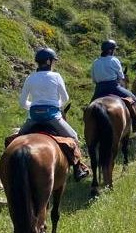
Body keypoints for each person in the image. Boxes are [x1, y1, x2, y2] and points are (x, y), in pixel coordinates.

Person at [18, 48, 90, 181]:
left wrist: (33, 107)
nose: (54, 64)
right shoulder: (56, 76)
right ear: (48, 61)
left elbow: (22, 102)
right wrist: (56, 105)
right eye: (53, 61)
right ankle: (78, 169)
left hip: (33, 116)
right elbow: (65, 97)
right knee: (73, 137)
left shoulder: (30, 78)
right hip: (52, 116)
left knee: (17, 139)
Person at [91, 40, 136, 133]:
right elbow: (121, 76)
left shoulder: (95, 62)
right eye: (114, 49)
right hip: (113, 87)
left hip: (99, 89)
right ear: (111, 50)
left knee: (90, 108)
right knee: (133, 98)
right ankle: (135, 124)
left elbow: (94, 79)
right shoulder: (114, 60)